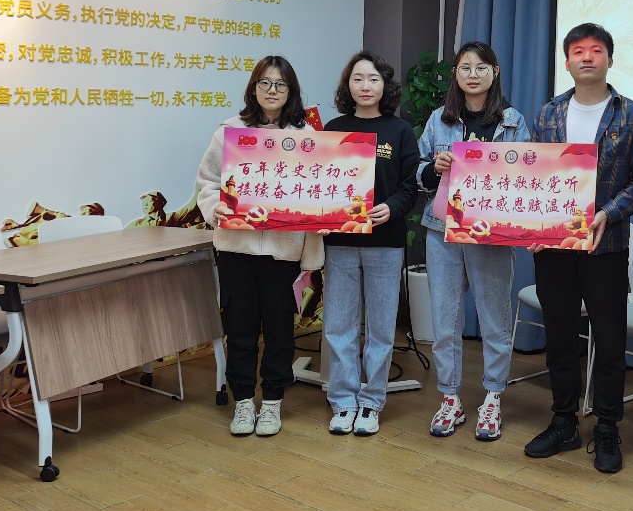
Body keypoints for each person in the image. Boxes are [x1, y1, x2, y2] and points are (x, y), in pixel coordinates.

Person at [525, 22, 633, 473]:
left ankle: (607, 427)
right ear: (567, 62)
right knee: (560, 338)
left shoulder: (632, 115)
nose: (587, 57)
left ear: (609, 60)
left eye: (596, 50)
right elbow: (535, 177)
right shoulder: (548, 114)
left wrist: (608, 212)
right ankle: (563, 421)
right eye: (578, 51)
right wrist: (532, 227)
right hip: (555, 247)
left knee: (610, 342)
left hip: (607, 244)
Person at [195, 56, 323, 438]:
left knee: (280, 329)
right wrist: (214, 207)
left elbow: (319, 190)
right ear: (253, 87)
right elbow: (207, 182)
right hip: (237, 247)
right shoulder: (230, 132)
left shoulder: (307, 137)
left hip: (284, 251)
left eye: (280, 84)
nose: (272, 90)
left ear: (291, 91)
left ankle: (272, 402)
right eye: (265, 82)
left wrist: (321, 228)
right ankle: (243, 400)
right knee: (241, 327)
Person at [417, 42, 530, 441]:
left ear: (495, 72)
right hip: (443, 231)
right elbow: (418, 172)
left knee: (494, 319)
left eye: (482, 67)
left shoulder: (513, 122)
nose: (473, 74)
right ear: (456, 74)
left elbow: (527, 177)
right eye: (465, 67)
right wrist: (434, 168)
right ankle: (450, 398)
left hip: (491, 234)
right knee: (445, 320)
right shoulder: (439, 119)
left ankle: (493, 397)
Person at [322, 51, 420, 437]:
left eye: (374, 79)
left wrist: (391, 208)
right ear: (348, 85)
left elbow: (410, 186)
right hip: (340, 241)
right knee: (339, 325)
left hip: (385, 241)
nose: (366, 86)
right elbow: (322, 181)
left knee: (381, 327)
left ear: (385, 86)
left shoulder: (400, 130)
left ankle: (372, 400)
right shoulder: (334, 129)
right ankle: (343, 400)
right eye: (358, 78)